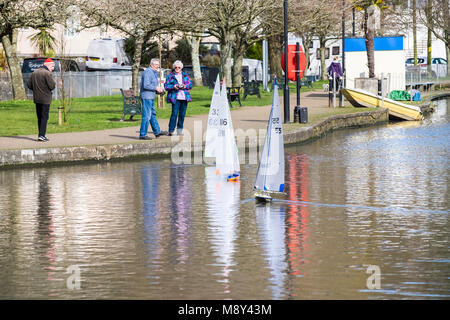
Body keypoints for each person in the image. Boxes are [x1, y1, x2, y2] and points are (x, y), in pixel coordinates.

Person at [27, 57, 56, 142]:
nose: (53, 68)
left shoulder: (34, 73)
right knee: (44, 117)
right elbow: (52, 86)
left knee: (39, 117)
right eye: (52, 66)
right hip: (46, 99)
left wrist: (36, 89)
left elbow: (29, 85)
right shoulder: (47, 73)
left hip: (37, 99)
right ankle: (42, 135)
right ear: (47, 65)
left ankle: (40, 134)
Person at [139, 58, 168, 140]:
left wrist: (158, 91)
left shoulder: (153, 72)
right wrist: (156, 88)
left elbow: (150, 86)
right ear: (151, 65)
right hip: (146, 97)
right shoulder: (148, 72)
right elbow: (146, 85)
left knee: (152, 115)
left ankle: (157, 132)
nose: (158, 66)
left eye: (158, 65)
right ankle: (142, 134)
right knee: (147, 116)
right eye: (156, 65)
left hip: (150, 96)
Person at [164, 60, 193, 136]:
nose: (177, 68)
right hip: (175, 98)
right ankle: (171, 130)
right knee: (174, 114)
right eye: (176, 67)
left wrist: (185, 86)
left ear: (181, 68)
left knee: (182, 115)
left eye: (179, 67)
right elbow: (166, 86)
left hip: (184, 98)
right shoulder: (170, 76)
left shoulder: (185, 76)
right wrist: (173, 87)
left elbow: (190, 85)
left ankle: (179, 130)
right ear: (174, 67)